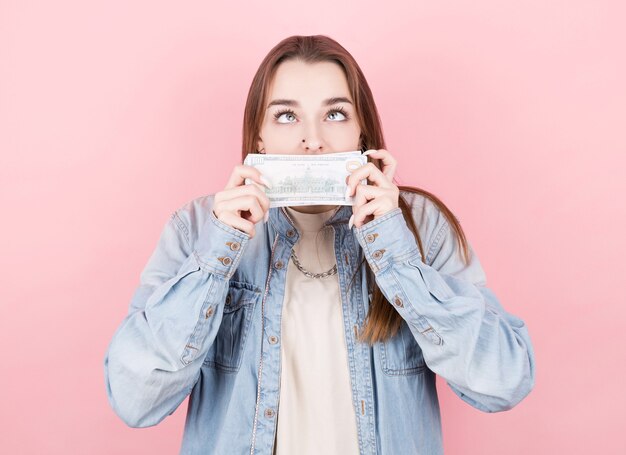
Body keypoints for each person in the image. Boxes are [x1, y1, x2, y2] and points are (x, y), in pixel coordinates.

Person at [104, 35, 536, 455]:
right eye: (286, 117)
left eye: (335, 115)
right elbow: (135, 398)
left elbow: (503, 381)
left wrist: (395, 252)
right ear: (259, 136)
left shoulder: (420, 225)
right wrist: (218, 253)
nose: (312, 140)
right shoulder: (198, 228)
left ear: (361, 130)